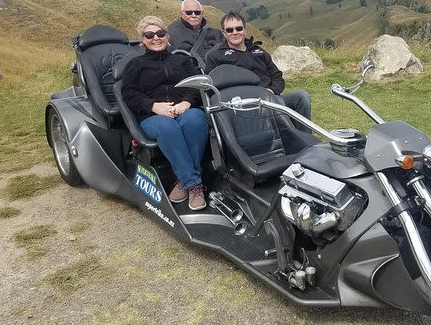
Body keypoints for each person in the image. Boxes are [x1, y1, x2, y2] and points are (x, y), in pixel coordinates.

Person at [121, 16, 209, 211]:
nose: (156, 38)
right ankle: (194, 185)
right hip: (153, 117)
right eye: (149, 35)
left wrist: (187, 102)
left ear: (167, 36)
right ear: (142, 39)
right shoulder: (135, 65)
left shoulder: (182, 60)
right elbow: (129, 94)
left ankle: (182, 179)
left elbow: (196, 85)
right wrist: (153, 106)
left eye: (160, 33)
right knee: (168, 127)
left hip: (184, 110)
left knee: (196, 120)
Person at [204, 11, 312, 129]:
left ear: (245, 30)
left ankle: (305, 142)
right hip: (243, 104)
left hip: (269, 96)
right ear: (224, 33)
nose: (235, 33)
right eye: (230, 30)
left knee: (302, 96)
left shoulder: (258, 51)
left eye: (238, 28)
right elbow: (212, 89)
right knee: (277, 104)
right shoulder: (216, 57)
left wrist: (271, 91)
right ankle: (285, 140)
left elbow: (277, 76)